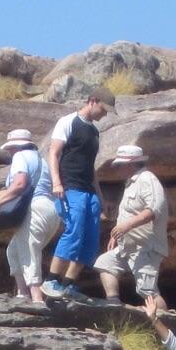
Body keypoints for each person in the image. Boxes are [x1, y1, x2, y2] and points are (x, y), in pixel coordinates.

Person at [41, 88, 113, 299]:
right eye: (104, 108)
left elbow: (91, 168)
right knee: (74, 231)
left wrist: (101, 198)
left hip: (89, 191)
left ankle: (68, 284)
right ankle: (51, 280)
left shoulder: (94, 132)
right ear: (92, 100)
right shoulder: (68, 122)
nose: (105, 114)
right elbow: (53, 153)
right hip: (70, 187)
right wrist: (57, 183)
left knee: (90, 240)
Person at [93, 145, 168, 309]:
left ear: (131, 164)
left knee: (147, 290)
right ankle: (113, 304)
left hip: (146, 247)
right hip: (128, 246)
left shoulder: (147, 179)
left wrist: (127, 226)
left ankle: (165, 324)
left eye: (119, 165)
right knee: (105, 263)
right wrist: (116, 234)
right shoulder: (131, 182)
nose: (116, 169)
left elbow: (154, 210)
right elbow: (128, 212)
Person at [0, 128, 60, 303]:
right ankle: (23, 293)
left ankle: (36, 298)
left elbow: (20, 184)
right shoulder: (43, 161)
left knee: (28, 251)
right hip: (52, 210)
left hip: (35, 208)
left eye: (10, 147)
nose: (9, 151)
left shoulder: (20, 157)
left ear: (18, 146)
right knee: (14, 250)